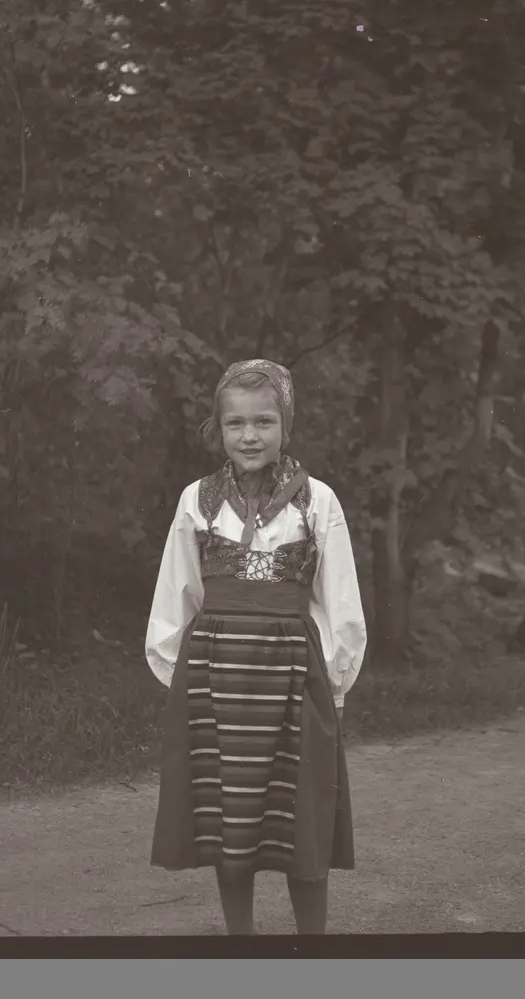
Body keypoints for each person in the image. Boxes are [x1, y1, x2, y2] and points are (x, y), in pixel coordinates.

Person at [145, 358, 367, 935]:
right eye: (236, 423)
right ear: (218, 428)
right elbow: (178, 590)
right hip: (217, 680)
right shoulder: (197, 499)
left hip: (294, 678)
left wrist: (335, 684)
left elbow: (340, 600)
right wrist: (179, 675)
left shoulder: (317, 500)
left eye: (264, 422)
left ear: (285, 425)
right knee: (232, 821)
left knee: (302, 816)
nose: (249, 435)